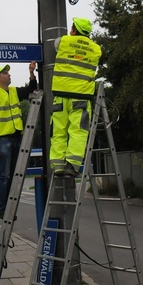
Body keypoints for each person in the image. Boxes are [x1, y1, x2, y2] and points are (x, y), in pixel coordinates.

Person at [0, 61, 38, 219]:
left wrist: (31, 72)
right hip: (2, 138)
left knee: (14, 175)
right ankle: (2, 209)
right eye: (6, 73)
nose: (9, 74)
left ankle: (9, 208)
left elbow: (32, 89)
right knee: (4, 176)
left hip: (16, 137)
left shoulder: (13, 91)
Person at [50, 17, 102, 177]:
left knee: (58, 132)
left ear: (73, 30)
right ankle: (72, 166)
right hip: (81, 97)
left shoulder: (63, 42)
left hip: (60, 96)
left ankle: (58, 166)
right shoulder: (96, 49)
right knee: (78, 131)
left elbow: (56, 45)